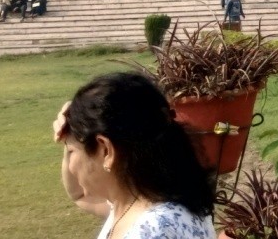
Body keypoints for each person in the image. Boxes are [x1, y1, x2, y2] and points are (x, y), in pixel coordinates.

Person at [52, 70, 215, 238]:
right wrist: (75, 128)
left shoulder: (152, 231)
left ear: (106, 150)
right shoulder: (156, 203)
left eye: (71, 151)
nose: (70, 166)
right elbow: (79, 194)